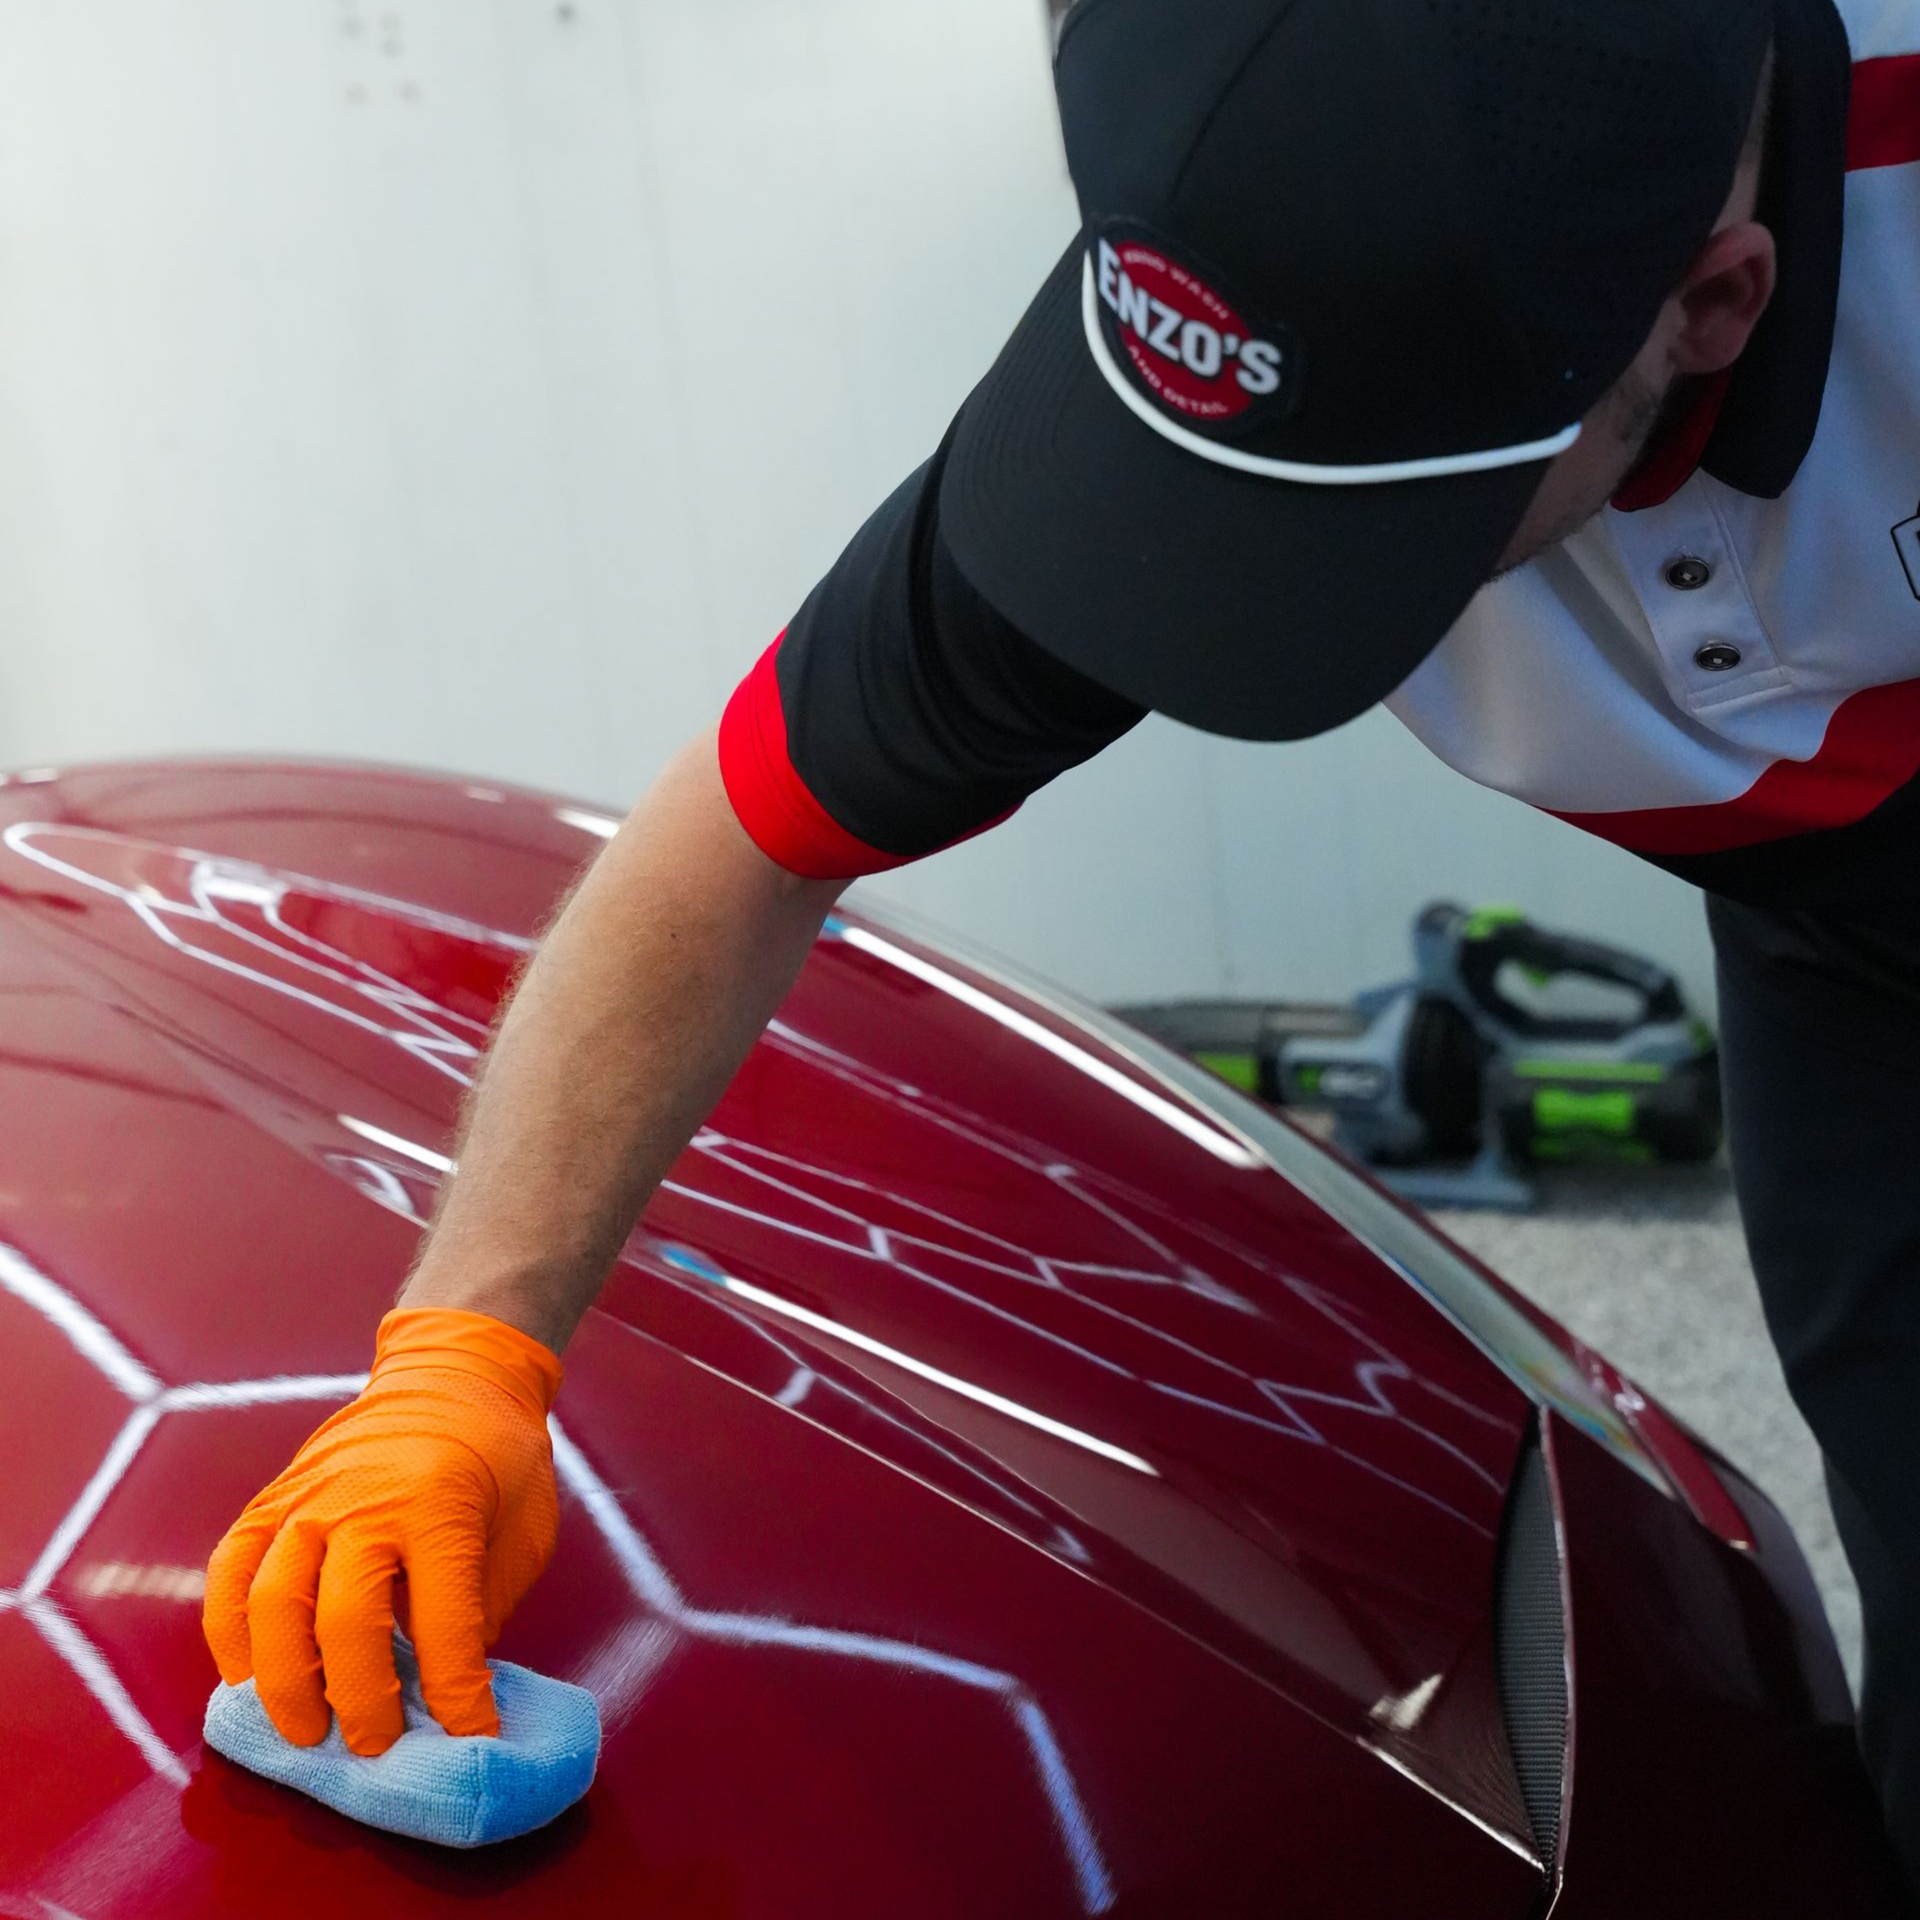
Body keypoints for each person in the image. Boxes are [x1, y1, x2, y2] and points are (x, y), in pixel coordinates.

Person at [205, 0, 1920, 1883]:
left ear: (1713, 303)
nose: (1236, 584)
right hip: (1830, 951)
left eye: (1377, 541)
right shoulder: (1269, 294)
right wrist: (464, 1357)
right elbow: (728, 852)